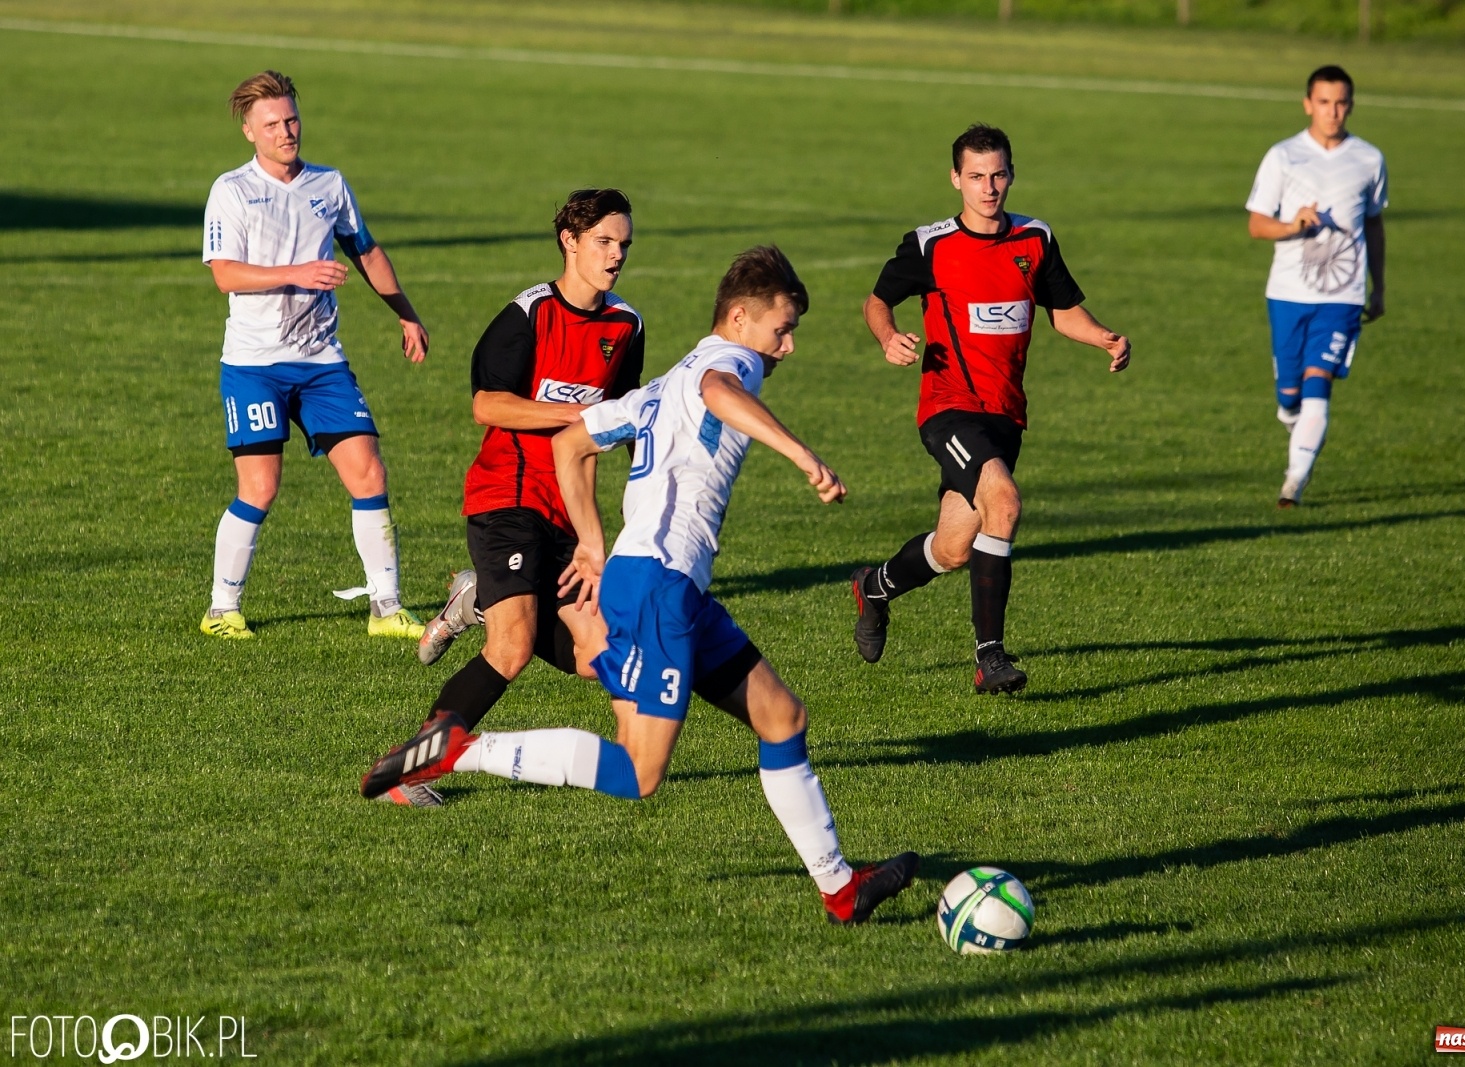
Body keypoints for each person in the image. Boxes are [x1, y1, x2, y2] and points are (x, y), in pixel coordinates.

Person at [361, 247, 919, 924]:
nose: (788, 346)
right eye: (782, 329)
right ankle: (461, 748)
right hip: (660, 587)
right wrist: (803, 455)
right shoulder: (729, 363)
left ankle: (840, 887)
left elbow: (571, 443)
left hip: (661, 582)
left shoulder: (662, 382)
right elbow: (721, 391)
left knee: (782, 717)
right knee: (639, 771)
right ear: (739, 318)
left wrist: (594, 542)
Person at [364, 189, 645, 806]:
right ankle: (410, 773)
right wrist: (568, 412)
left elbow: (617, 421)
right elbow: (486, 404)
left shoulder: (627, 326)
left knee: (594, 654)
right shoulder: (528, 316)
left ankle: (480, 600)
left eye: (623, 243)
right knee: (513, 648)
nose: (616, 254)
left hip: (568, 514)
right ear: (569, 242)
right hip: (507, 498)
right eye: (604, 241)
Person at [851, 124, 1131, 695]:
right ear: (956, 179)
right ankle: (990, 657)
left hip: (1006, 416)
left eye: (998, 174)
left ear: (1011, 174)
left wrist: (1104, 337)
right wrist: (887, 337)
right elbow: (877, 300)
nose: (988, 187)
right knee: (1003, 502)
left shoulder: (1034, 239)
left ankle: (873, 588)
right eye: (976, 176)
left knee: (953, 548)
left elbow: (1063, 311)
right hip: (948, 409)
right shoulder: (930, 245)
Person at [200, 70, 429, 640]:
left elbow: (366, 249)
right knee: (260, 487)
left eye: (292, 119)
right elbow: (224, 275)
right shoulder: (232, 190)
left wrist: (405, 313)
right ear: (250, 132)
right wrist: (297, 273)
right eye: (272, 123)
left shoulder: (329, 186)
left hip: (322, 361)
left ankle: (386, 607)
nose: (286, 131)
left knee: (369, 471)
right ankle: (221, 610)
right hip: (254, 365)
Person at [1246, 66, 1387, 509]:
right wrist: (1293, 225)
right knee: (1289, 395)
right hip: (1287, 292)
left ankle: (1294, 483)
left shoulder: (1369, 159)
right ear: (1308, 104)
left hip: (1342, 296)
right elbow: (1256, 225)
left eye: (1342, 102)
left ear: (1352, 104)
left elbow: (1375, 224)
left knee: (1317, 387)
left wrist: (1378, 286)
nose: (1334, 111)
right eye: (1324, 102)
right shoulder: (1283, 156)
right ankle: (1296, 423)